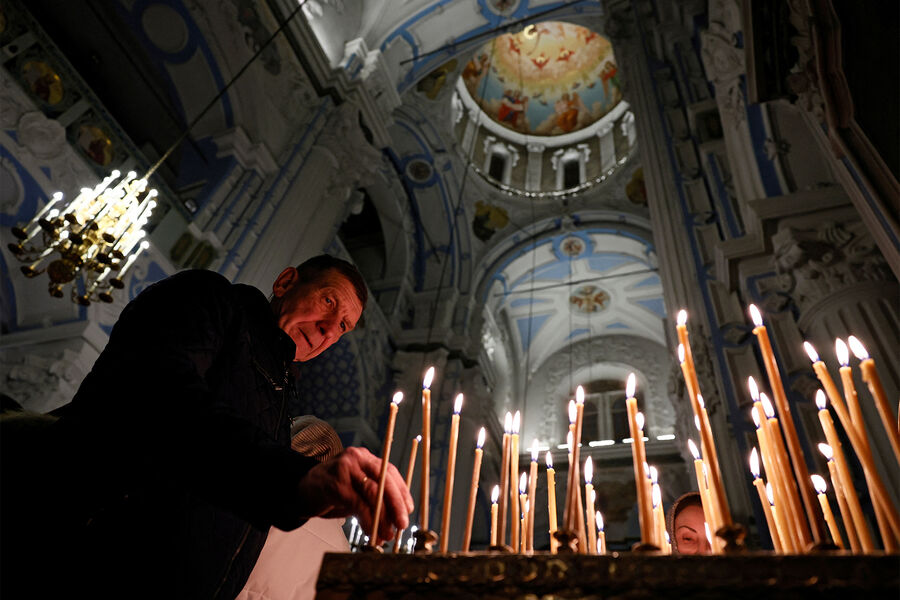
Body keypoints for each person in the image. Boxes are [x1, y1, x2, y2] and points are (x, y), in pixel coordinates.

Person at [0, 255, 413, 599]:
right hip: (85, 562)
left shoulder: (281, 396)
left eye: (343, 326)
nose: (329, 329)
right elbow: (163, 402)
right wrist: (298, 480)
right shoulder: (212, 301)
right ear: (286, 282)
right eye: (328, 301)